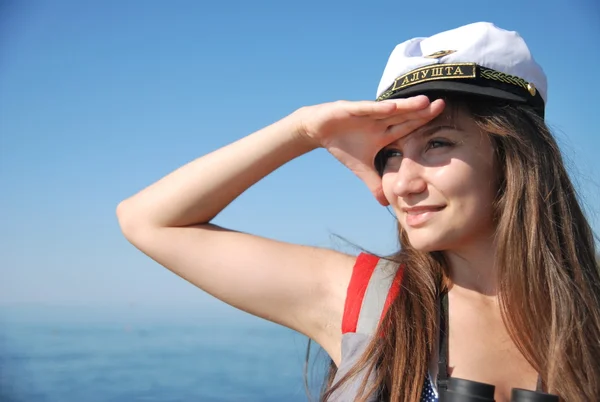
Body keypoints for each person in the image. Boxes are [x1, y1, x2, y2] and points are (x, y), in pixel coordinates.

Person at [116, 22, 600, 402]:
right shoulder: (367, 301)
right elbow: (148, 220)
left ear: (516, 157)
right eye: (389, 154)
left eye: (437, 143)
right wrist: (304, 129)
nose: (403, 184)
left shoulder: (589, 317)